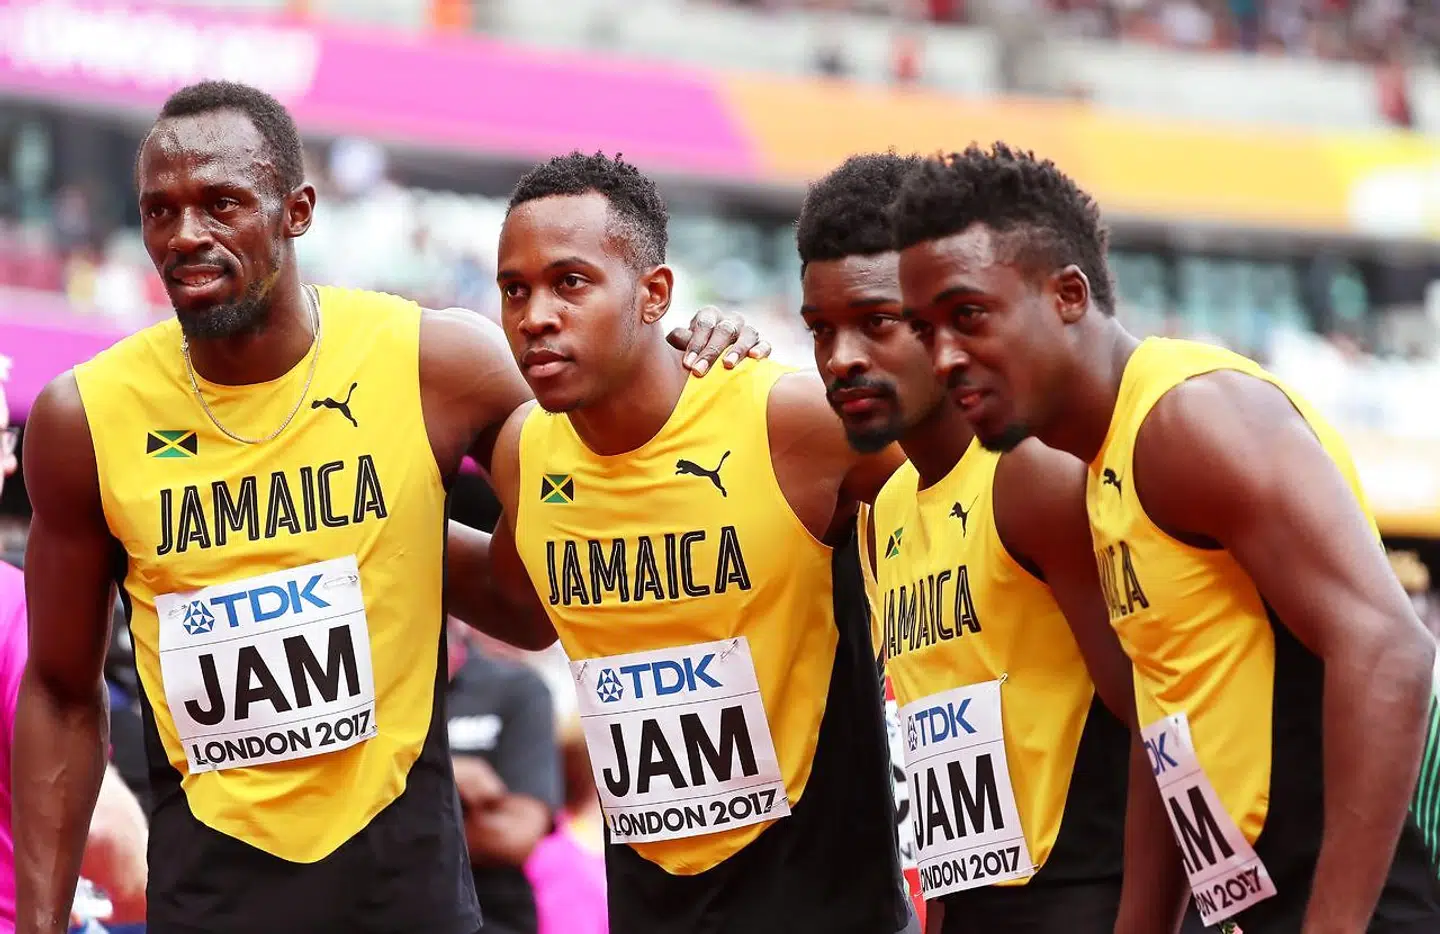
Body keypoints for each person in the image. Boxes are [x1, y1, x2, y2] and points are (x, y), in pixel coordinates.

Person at [13, 80, 768, 934]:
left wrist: (701, 349)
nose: (187, 235)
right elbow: (60, 693)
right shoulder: (85, 419)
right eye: (160, 211)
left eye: (222, 203)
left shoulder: (434, 362)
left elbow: (530, 610)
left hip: (407, 897)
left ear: (297, 209)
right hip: (213, 901)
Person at [890, 142, 1440, 932]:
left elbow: (1391, 649)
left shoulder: (1190, 419)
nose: (943, 357)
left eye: (968, 315)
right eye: (923, 329)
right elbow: (1166, 732)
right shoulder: (1106, 467)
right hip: (1253, 902)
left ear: (1069, 295)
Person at [471, 151, 911, 934]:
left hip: (830, 911)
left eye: (570, 282)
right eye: (515, 289)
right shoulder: (523, 452)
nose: (535, 314)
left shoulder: (792, 423)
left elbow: (972, 500)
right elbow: (522, 607)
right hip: (650, 912)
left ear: (655, 294)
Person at [798, 153, 1182, 934]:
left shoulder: (1031, 477)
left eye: (876, 323)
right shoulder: (888, 506)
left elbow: (1160, 733)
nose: (841, 360)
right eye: (820, 330)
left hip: (1093, 904)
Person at [444, 622, 563, 934]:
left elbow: (516, 835)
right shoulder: (374, 695)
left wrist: (399, 806)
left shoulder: (516, 687)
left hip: (492, 913)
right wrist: (448, 775)